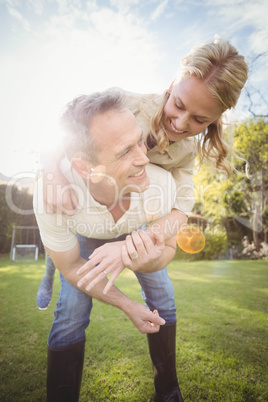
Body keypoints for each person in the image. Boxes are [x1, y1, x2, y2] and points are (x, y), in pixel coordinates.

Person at [38, 37, 248, 401]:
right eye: (178, 105)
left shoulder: (183, 157)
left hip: (135, 217)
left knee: (163, 294)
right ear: (171, 86)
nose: (181, 123)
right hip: (89, 213)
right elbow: (63, 129)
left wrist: (144, 242)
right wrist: (53, 177)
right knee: (71, 303)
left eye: (200, 119)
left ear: (215, 120)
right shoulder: (124, 104)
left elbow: (179, 212)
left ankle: (167, 390)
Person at [34, 89, 184, 401]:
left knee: (164, 296)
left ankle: (168, 391)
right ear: (86, 168)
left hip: (133, 229)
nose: (144, 157)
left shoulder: (160, 184)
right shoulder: (52, 197)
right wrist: (128, 306)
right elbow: (73, 266)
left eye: (140, 141)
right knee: (71, 311)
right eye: (125, 151)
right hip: (84, 235)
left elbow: (168, 248)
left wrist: (137, 257)